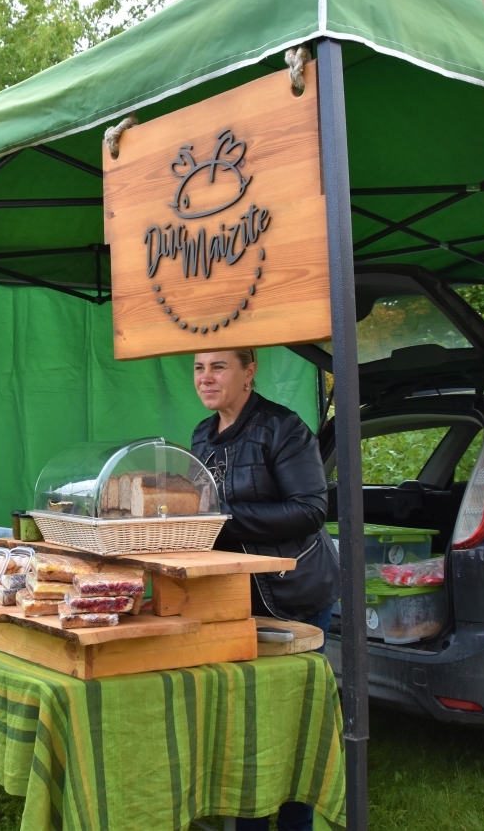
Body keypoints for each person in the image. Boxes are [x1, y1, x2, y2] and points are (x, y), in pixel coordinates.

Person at [190, 348, 338, 831]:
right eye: (198, 368)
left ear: (249, 371)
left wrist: (222, 520)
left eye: (218, 366)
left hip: (292, 593)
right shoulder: (202, 436)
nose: (206, 378)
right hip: (231, 598)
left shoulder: (283, 428)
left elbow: (310, 510)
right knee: (245, 723)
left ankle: (296, 823)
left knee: (294, 722)